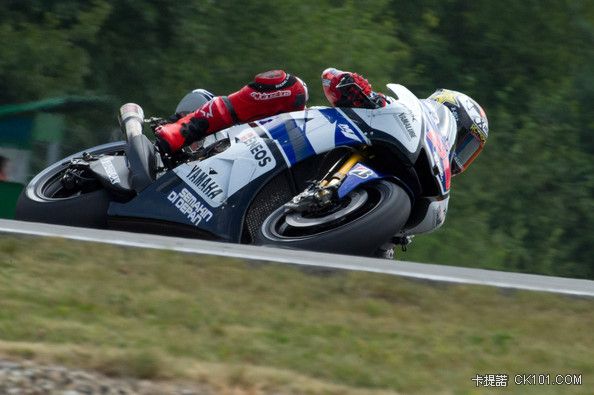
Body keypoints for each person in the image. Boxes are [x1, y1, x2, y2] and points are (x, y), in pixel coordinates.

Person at [155, 68, 489, 241]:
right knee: (289, 86)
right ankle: (179, 133)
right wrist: (352, 87)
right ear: (448, 117)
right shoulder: (392, 112)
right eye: (464, 142)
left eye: (468, 152)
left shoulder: (423, 203)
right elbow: (331, 78)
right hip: (262, 133)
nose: (460, 154)